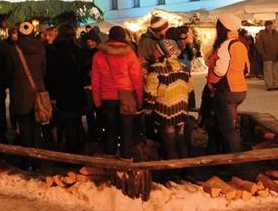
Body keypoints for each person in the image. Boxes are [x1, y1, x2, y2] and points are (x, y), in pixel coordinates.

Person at [91, 26, 144, 159]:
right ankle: (125, 162)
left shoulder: (98, 55)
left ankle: (109, 162)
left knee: (110, 131)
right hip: (127, 96)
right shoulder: (130, 54)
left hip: (107, 97)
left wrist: (97, 102)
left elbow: (95, 81)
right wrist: (139, 100)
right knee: (126, 132)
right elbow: (137, 78)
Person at [144, 28, 192, 159]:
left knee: (169, 142)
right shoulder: (183, 67)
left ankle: (174, 174)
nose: (154, 51)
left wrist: (148, 111)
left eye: (156, 49)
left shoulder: (156, 68)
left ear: (161, 52)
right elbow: (189, 88)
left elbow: (150, 92)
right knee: (181, 140)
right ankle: (187, 172)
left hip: (165, 111)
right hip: (181, 110)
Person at [207, 14, 249, 153]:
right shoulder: (240, 44)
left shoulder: (226, 45)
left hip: (227, 91)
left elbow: (220, 70)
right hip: (240, 89)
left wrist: (212, 81)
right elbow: (247, 69)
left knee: (227, 131)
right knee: (228, 127)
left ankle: (233, 164)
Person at [7, 22, 48, 156]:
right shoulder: (41, 48)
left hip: (21, 93)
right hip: (38, 91)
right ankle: (37, 160)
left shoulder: (14, 49)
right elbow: (44, 69)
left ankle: (26, 160)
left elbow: (9, 72)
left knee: (24, 127)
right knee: (36, 127)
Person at [45, 24, 87, 154]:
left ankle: (71, 152)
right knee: (77, 122)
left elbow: (54, 75)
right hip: (77, 92)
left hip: (63, 93)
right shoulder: (78, 50)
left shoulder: (56, 51)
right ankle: (81, 149)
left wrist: (53, 95)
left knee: (66, 124)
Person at [255, 20, 278, 91]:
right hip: (267, 56)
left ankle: (276, 84)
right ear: (265, 26)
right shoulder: (262, 35)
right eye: (269, 25)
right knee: (268, 71)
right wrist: (264, 54)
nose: (270, 27)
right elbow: (259, 46)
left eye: (271, 25)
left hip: (277, 55)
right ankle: (269, 85)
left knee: (275, 71)